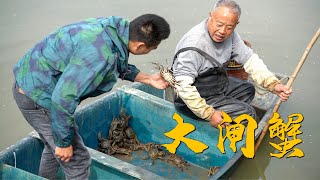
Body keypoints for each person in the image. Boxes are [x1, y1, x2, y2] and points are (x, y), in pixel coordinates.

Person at [12, 14, 170, 179]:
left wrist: (148, 79)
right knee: (77, 161)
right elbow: (62, 99)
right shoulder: (100, 57)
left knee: (55, 150)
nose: (151, 51)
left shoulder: (111, 29)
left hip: (31, 79)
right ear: (140, 46)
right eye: (152, 48)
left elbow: (117, 62)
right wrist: (64, 143)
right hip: (38, 96)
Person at [172, 0, 292, 128]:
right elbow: (183, 86)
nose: (222, 31)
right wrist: (209, 113)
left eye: (229, 27)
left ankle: (226, 118)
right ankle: (219, 123)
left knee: (248, 89)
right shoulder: (194, 44)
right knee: (248, 113)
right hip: (189, 99)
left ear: (236, 24)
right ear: (210, 16)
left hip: (215, 87)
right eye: (219, 24)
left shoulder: (231, 36)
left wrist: (273, 84)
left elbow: (250, 59)